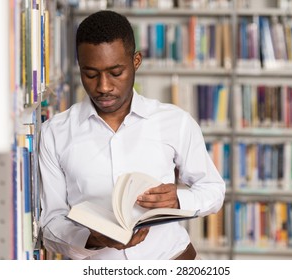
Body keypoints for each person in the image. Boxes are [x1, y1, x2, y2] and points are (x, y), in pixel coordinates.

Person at [39, 10, 225, 260]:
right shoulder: (55, 133)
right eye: (90, 74)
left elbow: (213, 191)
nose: (103, 86)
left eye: (116, 73)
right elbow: (50, 223)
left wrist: (178, 199)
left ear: (136, 61)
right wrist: (91, 239)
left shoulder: (174, 121)